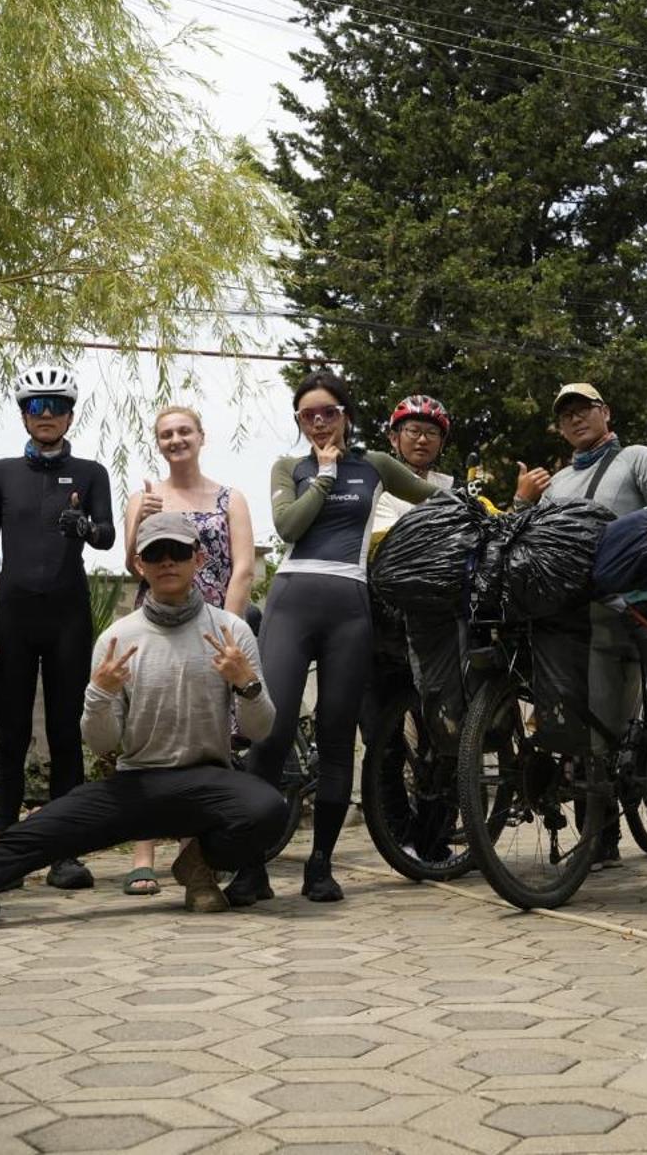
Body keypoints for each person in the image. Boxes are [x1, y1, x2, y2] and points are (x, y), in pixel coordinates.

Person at [0, 512, 289, 942]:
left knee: (267, 808)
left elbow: (261, 730)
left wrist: (246, 685)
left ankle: (201, 861)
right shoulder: (119, 638)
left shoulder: (231, 631)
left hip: (206, 783)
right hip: (135, 785)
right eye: (154, 554)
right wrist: (101, 692)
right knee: (24, 842)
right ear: (139, 565)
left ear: (198, 558)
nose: (168, 562)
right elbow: (102, 742)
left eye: (178, 552)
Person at [230, 371, 445, 907]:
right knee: (271, 734)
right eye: (308, 415)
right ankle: (251, 866)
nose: (319, 422)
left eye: (329, 411)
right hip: (292, 600)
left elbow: (431, 497)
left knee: (335, 736)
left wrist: (494, 505)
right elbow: (288, 527)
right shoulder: (292, 467)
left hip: (350, 604)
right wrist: (323, 477)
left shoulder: (373, 466)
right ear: (299, 422)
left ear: (347, 413)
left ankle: (320, 865)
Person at [515, 381, 647, 866]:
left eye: (583, 409)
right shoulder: (557, 483)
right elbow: (531, 540)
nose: (574, 419)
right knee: (589, 730)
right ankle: (600, 839)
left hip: (635, 607)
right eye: (564, 414)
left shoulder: (637, 458)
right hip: (574, 618)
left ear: (604, 411)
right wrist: (523, 501)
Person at [0, 364, 116, 889]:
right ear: (23, 415)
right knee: (9, 735)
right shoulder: (1, 473)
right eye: (36, 406)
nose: (47, 414)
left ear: (70, 414)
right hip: (12, 615)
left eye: (56, 405)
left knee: (64, 734)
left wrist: (84, 525)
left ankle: (65, 853)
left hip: (68, 617)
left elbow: (105, 537)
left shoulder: (91, 473)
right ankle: (7, 852)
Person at [118, 404, 257, 896]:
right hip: (157, 623)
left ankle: (194, 853)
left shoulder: (229, 497)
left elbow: (243, 567)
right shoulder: (146, 495)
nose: (175, 440)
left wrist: (229, 628)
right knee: (146, 727)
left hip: (213, 625)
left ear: (202, 436)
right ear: (158, 443)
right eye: (166, 434)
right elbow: (134, 561)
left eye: (183, 431)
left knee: (207, 733)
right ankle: (142, 854)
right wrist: (142, 522)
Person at [365, 395, 457, 864]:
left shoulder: (453, 488)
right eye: (412, 431)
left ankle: (437, 837)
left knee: (442, 735)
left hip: (436, 624)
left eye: (431, 432)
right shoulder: (373, 484)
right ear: (393, 437)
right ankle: (398, 832)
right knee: (384, 738)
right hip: (380, 622)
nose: (421, 439)